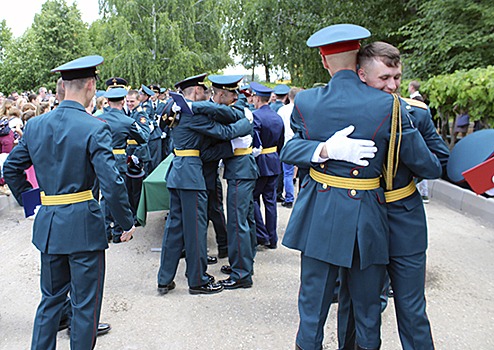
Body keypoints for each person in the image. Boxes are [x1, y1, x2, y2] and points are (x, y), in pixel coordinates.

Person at [280, 24, 442, 350]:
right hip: (368, 213)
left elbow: (289, 150)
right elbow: (429, 165)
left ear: (325, 63)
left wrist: (323, 150)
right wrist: (330, 149)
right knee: (369, 307)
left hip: (323, 212)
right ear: (360, 68)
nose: (392, 86)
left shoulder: (307, 102)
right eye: (386, 79)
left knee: (313, 305)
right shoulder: (390, 107)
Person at [3, 55, 136, 350]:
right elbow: (112, 183)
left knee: (50, 302)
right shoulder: (94, 127)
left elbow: (11, 169)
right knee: (85, 306)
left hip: (50, 224)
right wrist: (126, 223)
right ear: (91, 85)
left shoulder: (36, 125)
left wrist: (34, 202)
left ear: (63, 85)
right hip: (84, 228)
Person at [337, 41, 450, 350]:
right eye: (383, 78)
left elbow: (439, 162)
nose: (392, 85)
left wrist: (406, 130)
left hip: (405, 218)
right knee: (360, 307)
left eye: (397, 77)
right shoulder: (345, 115)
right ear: (362, 75)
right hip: (361, 219)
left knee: (412, 309)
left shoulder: (415, 114)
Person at [156, 73, 252, 295]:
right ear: (197, 91)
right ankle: (198, 280)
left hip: (178, 172)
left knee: (174, 229)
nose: (208, 94)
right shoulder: (191, 115)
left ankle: (165, 278)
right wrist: (245, 126)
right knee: (196, 230)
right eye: (205, 90)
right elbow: (225, 132)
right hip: (191, 174)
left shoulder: (174, 109)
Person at [192, 74, 259, 289]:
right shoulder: (240, 108)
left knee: (237, 222)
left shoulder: (238, 110)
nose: (213, 98)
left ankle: (241, 274)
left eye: (215, 95)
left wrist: (196, 107)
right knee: (246, 220)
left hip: (240, 170)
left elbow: (224, 120)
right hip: (242, 169)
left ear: (222, 94)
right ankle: (244, 264)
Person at [100, 86, 150, 243]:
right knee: (119, 194)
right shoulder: (128, 121)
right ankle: (117, 232)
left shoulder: (99, 119)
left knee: (104, 197)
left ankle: (104, 230)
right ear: (123, 101)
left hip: (102, 159)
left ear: (107, 102)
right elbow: (143, 137)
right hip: (120, 159)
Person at [251, 82, 284, 249]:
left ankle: (261, 234)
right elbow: (281, 143)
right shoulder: (277, 116)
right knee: (270, 201)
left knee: (253, 198)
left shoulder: (255, 116)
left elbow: (254, 142)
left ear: (257, 98)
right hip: (273, 160)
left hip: (260, 162)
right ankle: (272, 238)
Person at [278, 87, 302, 209]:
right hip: (300, 143)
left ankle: (289, 198)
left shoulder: (282, 110)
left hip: (286, 143)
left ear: (288, 96)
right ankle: (301, 197)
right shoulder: (302, 110)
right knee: (302, 172)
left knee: (287, 173)